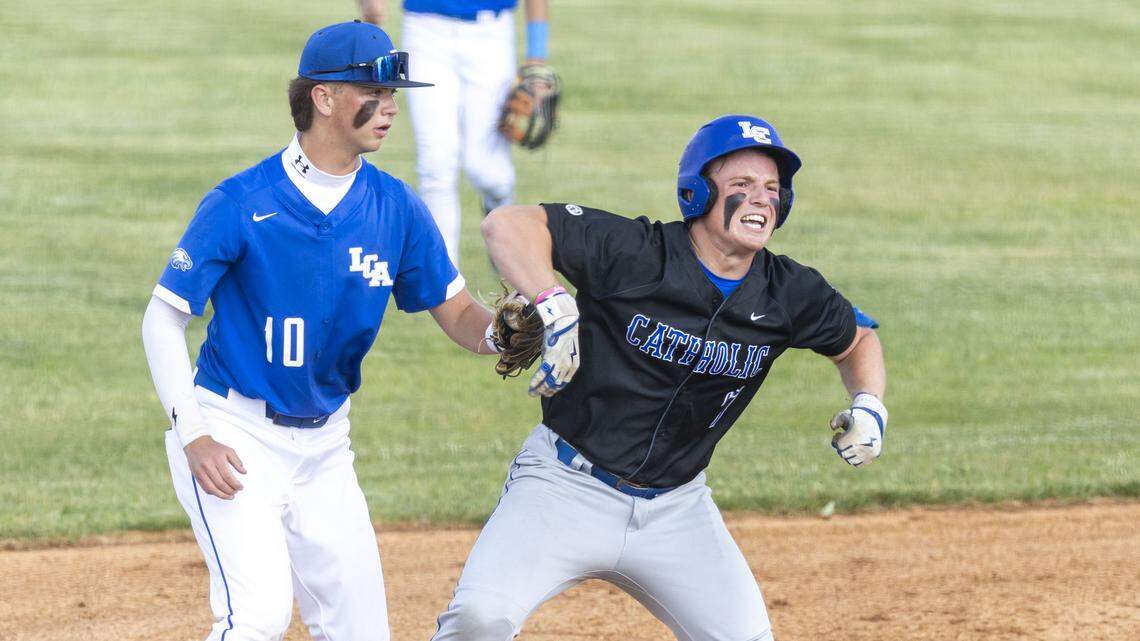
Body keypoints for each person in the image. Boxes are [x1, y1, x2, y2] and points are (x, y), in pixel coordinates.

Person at [431, 114, 889, 641]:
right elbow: (507, 224)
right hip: (563, 487)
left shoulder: (788, 292)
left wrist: (869, 405)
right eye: (741, 186)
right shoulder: (637, 253)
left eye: (772, 189)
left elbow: (858, 340)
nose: (761, 199)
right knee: (478, 620)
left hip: (677, 509)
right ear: (696, 192)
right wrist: (555, 304)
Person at [141, 20, 498, 641]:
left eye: (394, 96)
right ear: (324, 97)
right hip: (233, 433)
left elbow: (463, 317)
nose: (390, 108)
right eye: (375, 93)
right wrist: (194, 434)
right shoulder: (241, 201)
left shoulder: (398, 208)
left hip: (328, 447)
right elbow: (162, 318)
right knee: (256, 618)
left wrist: (512, 333)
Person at [358, 0, 551, 265]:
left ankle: (501, 216)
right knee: (435, 166)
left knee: (489, 173)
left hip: (490, 35)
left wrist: (536, 56)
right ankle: (446, 286)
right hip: (424, 30)